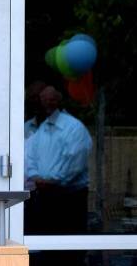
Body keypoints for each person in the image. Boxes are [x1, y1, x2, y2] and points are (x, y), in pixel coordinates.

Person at [23, 86, 92, 233]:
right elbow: (31, 157)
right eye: (42, 100)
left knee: (69, 242)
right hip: (45, 196)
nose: (45, 104)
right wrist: (36, 177)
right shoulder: (42, 129)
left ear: (58, 101)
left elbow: (75, 163)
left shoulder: (73, 127)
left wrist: (51, 180)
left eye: (50, 100)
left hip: (70, 198)